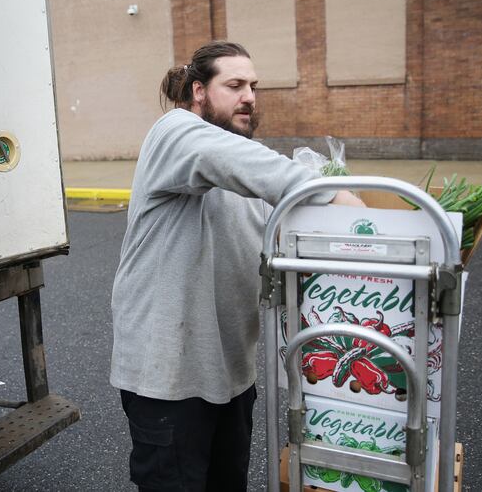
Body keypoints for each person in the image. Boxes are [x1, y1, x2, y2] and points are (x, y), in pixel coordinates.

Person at [110, 41, 363, 491]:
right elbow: (250, 165)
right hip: (168, 378)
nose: (250, 96)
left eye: (254, 86)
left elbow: (282, 252)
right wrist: (338, 196)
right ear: (198, 91)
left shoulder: (242, 171)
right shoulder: (175, 133)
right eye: (235, 85)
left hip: (230, 376)